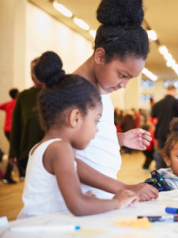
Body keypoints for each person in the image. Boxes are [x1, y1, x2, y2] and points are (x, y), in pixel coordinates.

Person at [18, 51, 138, 219]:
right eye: (96, 121)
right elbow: (78, 206)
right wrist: (117, 201)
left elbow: (58, 199)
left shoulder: (45, 146)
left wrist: (89, 201)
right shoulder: (60, 149)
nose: (96, 130)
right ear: (75, 118)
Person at [72, 0, 158, 201]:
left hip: (99, 196)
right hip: (77, 198)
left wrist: (118, 139)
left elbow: (84, 140)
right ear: (100, 56)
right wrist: (124, 187)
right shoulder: (73, 94)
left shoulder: (102, 89)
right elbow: (64, 158)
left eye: (130, 78)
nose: (124, 85)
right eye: (122, 75)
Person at [9, 58, 45, 181]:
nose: (33, 74)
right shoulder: (23, 96)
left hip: (51, 152)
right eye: (32, 71)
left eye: (37, 70)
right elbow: (16, 125)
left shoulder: (55, 93)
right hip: (28, 153)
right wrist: (13, 152)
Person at [151, 84, 178, 169]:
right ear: (174, 91)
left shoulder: (159, 103)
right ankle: (171, 175)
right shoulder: (177, 103)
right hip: (173, 133)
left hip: (160, 132)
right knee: (173, 154)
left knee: (162, 154)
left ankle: (161, 175)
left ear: (166, 90)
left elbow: (153, 115)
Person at [0, 88, 19, 184]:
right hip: (14, 130)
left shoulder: (8, 104)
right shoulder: (19, 103)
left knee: (15, 151)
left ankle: (20, 173)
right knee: (14, 151)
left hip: (6, 130)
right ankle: (7, 175)